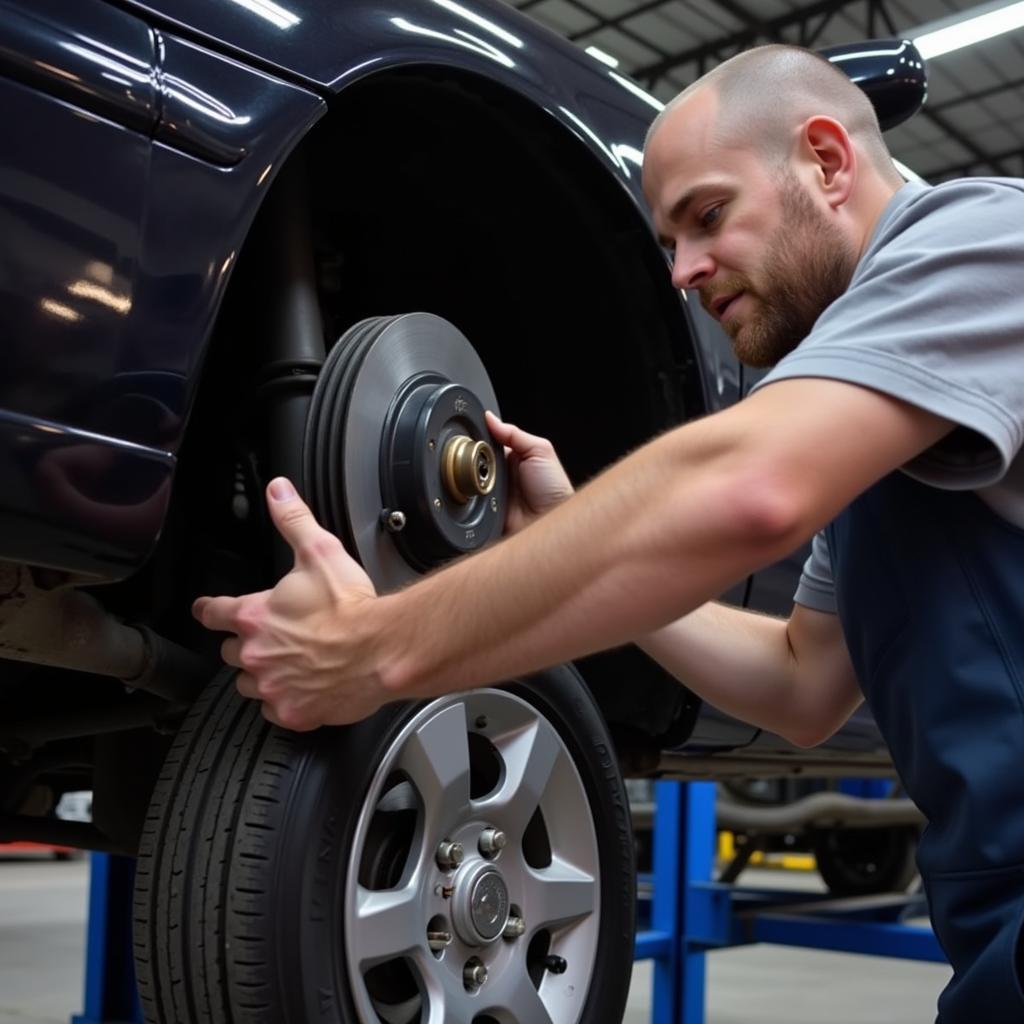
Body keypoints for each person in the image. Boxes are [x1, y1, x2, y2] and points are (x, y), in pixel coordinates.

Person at [194, 44, 1024, 1021]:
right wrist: (570, 525)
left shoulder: (984, 241)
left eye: (708, 216)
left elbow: (748, 488)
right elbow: (802, 683)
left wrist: (375, 649)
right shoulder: (879, 433)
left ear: (827, 161)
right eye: (669, 240)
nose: (682, 272)